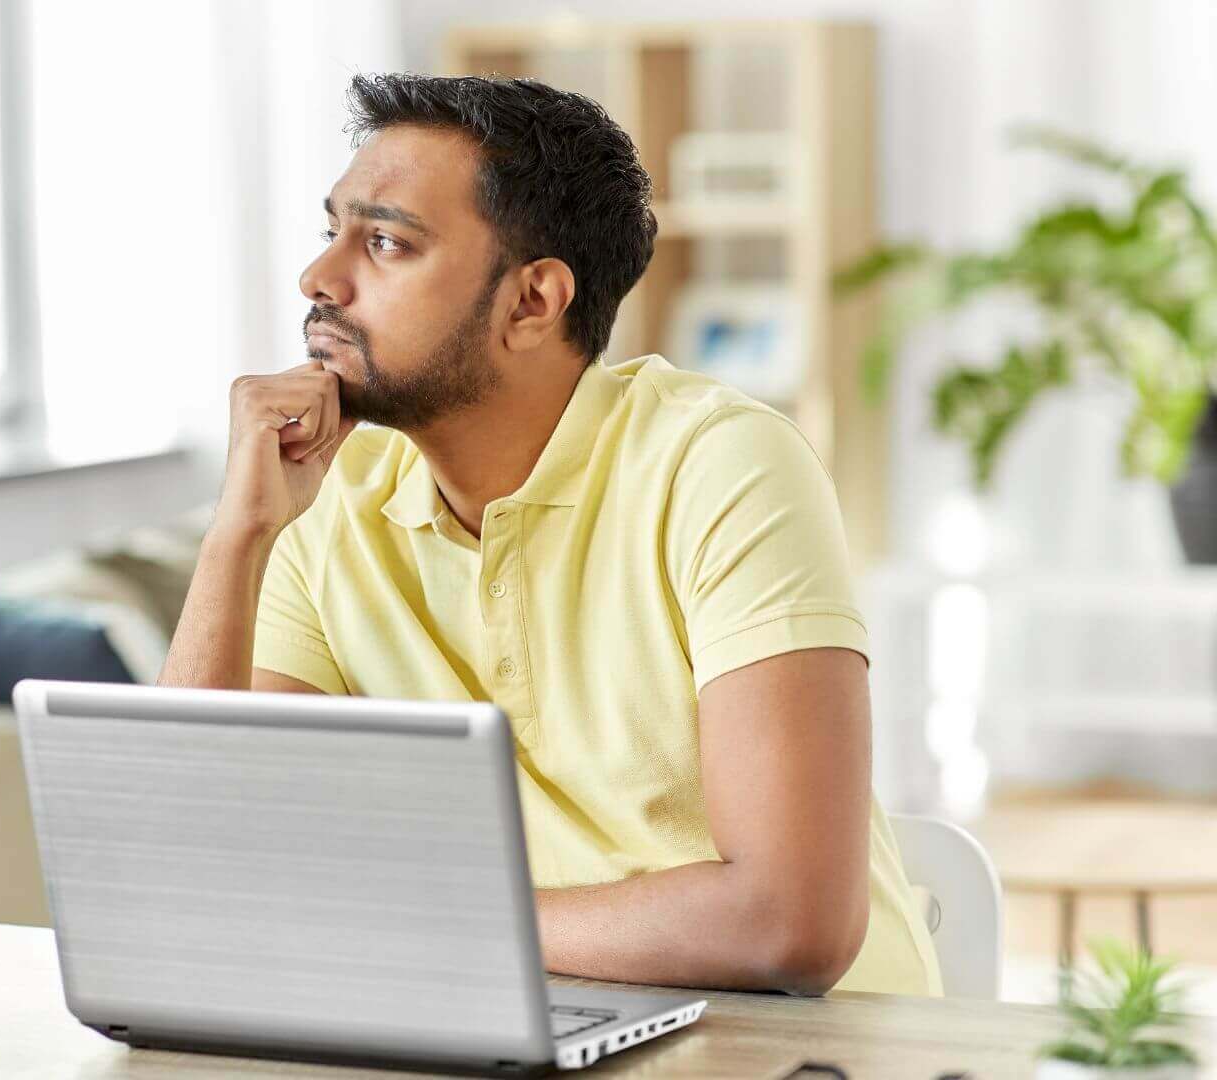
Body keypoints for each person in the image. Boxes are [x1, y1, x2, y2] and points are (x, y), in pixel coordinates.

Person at [158, 72, 942, 997]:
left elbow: (786, 925)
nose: (319, 280)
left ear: (532, 302)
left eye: (383, 242)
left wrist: (433, 923)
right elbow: (190, 872)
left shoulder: (722, 464)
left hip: (804, 1045)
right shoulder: (326, 497)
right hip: (524, 1020)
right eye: (330, 232)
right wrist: (236, 538)